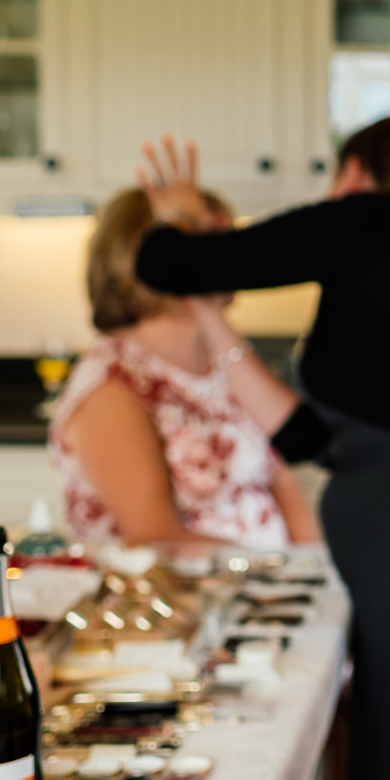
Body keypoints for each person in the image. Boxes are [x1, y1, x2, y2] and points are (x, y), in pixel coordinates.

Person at [130, 116, 390, 780]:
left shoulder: (360, 219)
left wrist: (179, 214)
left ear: (354, 172)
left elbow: (164, 263)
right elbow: (317, 440)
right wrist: (212, 310)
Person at [50, 188, 321, 551]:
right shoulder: (112, 381)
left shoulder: (224, 361)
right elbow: (155, 536)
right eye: (212, 241)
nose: (231, 252)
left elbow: (283, 480)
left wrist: (313, 570)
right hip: (186, 599)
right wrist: (274, 574)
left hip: (270, 595)